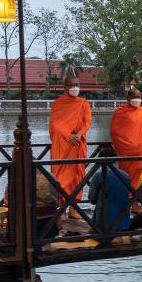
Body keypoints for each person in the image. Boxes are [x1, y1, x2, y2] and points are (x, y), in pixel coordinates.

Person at [49, 76, 93, 215]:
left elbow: (87, 123)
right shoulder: (58, 104)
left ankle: (74, 209)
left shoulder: (83, 103)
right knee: (61, 179)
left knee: (77, 178)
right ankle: (61, 209)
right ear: (65, 88)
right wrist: (69, 136)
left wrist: (78, 135)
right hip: (62, 146)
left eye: (77, 85)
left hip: (77, 145)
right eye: (72, 86)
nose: (75, 88)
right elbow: (55, 124)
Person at [109, 88, 142, 185]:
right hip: (128, 154)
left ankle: (140, 198)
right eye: (134, 97)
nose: (137, 99)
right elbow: (115, 132)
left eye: (138, 97)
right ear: (128, 98)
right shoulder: (120, 112)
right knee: (128, 180)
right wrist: (129, 145)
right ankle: (131, 198)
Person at [88, 146, 132, 233]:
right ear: (115, 159)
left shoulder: (98, 176)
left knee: (91, 230)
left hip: (103, 222)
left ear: (100, 160)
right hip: (123, 221)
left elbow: (92, 199)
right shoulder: (126, 175)